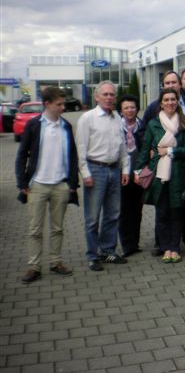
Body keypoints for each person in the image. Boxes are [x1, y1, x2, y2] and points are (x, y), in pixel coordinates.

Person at [15, 86, 79, 283]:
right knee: (35, 229)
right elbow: (21, 155)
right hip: (37, 185)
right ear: (47, 104)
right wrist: (22, 182)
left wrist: (73, 183)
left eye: (63, 104)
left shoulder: (66, 126)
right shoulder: (34, 125)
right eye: (59, 104)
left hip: (60, 185)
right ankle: (34, 267)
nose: (63, 107)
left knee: (57, 228)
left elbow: (73, 156)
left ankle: (55, 262)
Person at [142, 70, 185, 254]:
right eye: (167, 83)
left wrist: (170, 151)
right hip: (160, 169)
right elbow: (145, 135)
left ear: (179, 84)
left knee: (181, 207)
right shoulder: (153, 110)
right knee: (162, 210)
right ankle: (162, 245)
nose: (170, 86)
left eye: (173, 82)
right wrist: (148, 155)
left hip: (184, 167)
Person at [134, 88, 185, 264]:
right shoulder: (153, 124)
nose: (170, 102)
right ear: (161, 103)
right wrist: (138, 170)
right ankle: (165, 247)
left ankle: (175, 248)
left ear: (177, 101)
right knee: (162, 213)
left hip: (179, 174)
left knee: (176, 212)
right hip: (158, 174)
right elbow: (146, 149)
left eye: (173, 99)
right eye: (166, 100)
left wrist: (169, 151)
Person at [77, 81, 130, 271]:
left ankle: (108, 250)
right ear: (97, 97)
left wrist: (125, 169)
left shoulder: (117, 118)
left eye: (112, 94)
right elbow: (81, 147)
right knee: (92, 217)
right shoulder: (87, 118)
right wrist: (85, 173)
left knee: (113, 214)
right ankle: (93, 255)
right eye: (105, 94)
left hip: (114, 170)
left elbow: (123, 146)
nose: (109, 97)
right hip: (95, 170)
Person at [117, 94, 145, 258]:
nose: (130, 110)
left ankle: (135, 243)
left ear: (137, 109)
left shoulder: (142, 126)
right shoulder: (116, 127)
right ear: (121, 110)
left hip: (139, 175)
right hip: (122, 175)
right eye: (126, 108)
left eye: (132, 107)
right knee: (124, 211)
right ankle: (126, 245)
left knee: (137, 210)